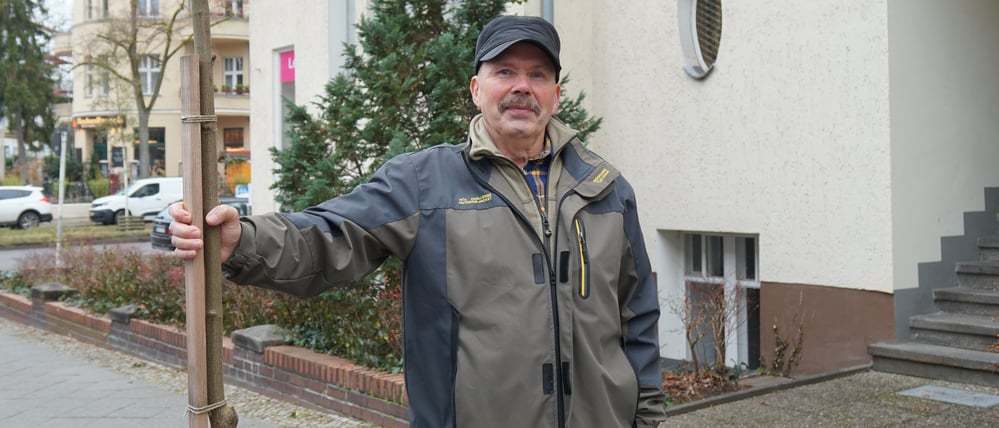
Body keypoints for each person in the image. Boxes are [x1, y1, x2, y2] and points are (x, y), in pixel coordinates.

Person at [170, 15, 666, 428]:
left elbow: (636, 312)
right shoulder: (425, 184)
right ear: (477, 89)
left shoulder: (604, 188)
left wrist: (645, 417)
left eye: (537, 74)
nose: (522, 87)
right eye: (505, 72)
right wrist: (245, 240)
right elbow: (328, 236)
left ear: (555, 93)